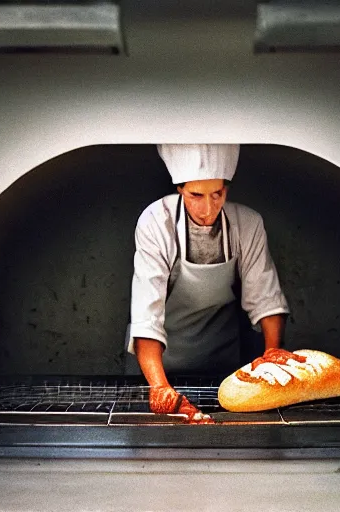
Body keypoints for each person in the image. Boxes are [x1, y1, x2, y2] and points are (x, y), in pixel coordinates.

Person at [126, 144, 289, 422]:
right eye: (196, 195)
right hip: (156, 365)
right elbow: (146, 315)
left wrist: (273, 354)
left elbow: (266, 298)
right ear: (179, 188)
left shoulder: (247, 224)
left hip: (222, 365)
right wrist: (160, 387)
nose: (208, 209)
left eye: (218, 194)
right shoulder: (156, 221)